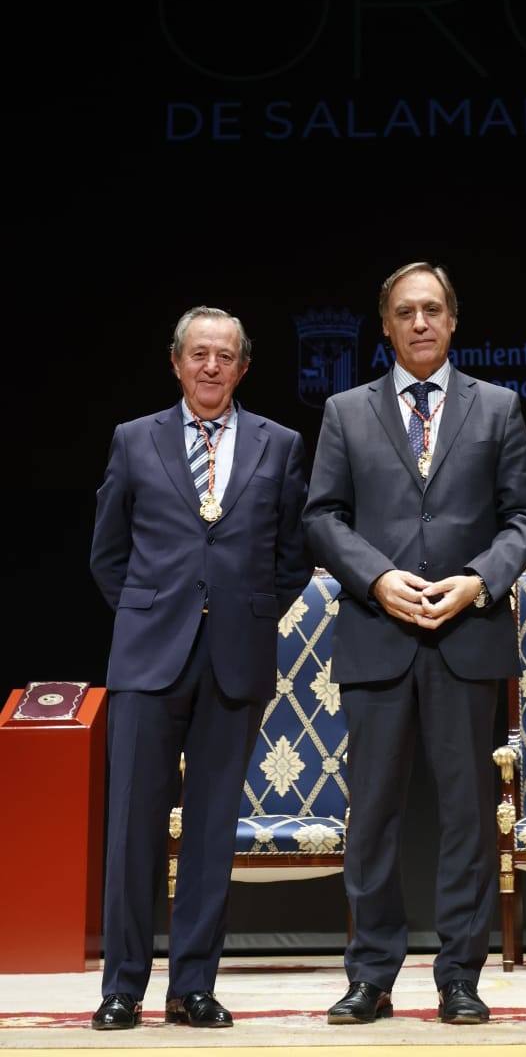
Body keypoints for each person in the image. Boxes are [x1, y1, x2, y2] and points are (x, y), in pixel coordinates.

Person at [302, 262, 526, 1025]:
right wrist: (377, 580)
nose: (419, 323)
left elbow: (525, 519)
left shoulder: (499, 407)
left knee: (468, 816)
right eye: (405, 311)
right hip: (379, 633)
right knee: (372, 815)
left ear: (453, 320)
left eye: (432, 309)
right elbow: (323, 516)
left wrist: (479, 579)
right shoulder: (344, 410)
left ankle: (459, 977)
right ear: (385, 324)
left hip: (466, 633)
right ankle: (370, 974)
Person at [89, 306, 313, 1031]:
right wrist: (151, 612)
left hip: (234, 662)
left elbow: (291, 559)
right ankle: (121, 987)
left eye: (225, 356)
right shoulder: (135, 439)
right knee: (133, 830)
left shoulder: (280, 444)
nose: (210, 367)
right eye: (198, 354)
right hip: (148, 659)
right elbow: (108, 553)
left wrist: (244, 613)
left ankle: (193, 987)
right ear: (176, 362)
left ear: (244, 367)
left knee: (214, 831)